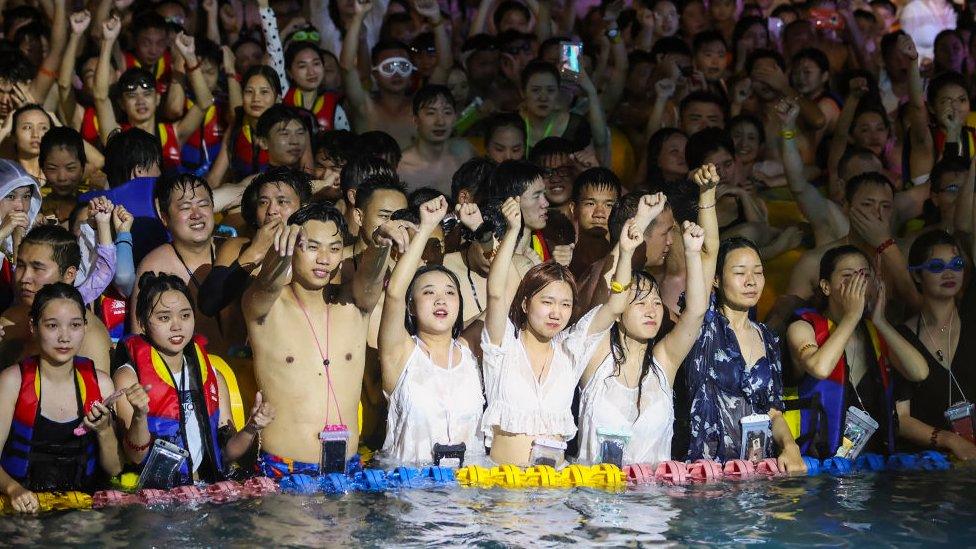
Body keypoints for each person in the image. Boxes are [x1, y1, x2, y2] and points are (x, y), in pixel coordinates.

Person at [243, 203, 392, 476]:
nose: (324, 258)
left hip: (348, 470)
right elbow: (265, 286)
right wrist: (279, 255)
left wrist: (380, 246)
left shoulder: (355, 305)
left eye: (334, 248)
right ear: (292, 246)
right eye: (312, 247)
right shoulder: (265, 309)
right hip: (284, 472)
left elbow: (371, 280)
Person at [682, 165, 805, 472]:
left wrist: (790, 448)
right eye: (739, 273)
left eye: (758, 272)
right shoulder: (705, 325)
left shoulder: (767, 337)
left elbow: (775, 412)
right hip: (708, 476)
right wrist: (707, 195)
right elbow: (710, 252)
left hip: (756, 476)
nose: (751, 281)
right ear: (716, 280)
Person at [481, 195, 614, 467]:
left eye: (565, 304)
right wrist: (512, 231)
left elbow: (614, 306)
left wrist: (626, 245)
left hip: (555, 492)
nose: (556, 312)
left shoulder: (571, 350)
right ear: (526, 302)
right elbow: (495, 294)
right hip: (505, 490)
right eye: (547, 302)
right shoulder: (504, 345)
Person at [576, 195, 708, 465]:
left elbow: (695, 314)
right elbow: (610, 303)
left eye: (657, 302)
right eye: (639, 302)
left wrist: (693, 255)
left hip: (655, 504)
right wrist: (625, 251)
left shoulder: (664, 362)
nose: (651, 310)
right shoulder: (594, 354)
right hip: (596, 502)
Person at [113, 272, 275, 486]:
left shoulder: (212, 377)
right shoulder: (129, 378)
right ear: (142, 323)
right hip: (155, 494)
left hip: (205, 489)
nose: (176, 325)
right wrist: (140, 416)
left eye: (185, 315)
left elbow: (227, 453)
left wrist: (252, 426)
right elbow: (135, 457)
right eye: (164, 317)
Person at [787, 245, 929, 457]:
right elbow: (820, 367)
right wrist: (852, 316)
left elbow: (919, 372)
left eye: (864, 275)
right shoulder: (803, 328)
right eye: (848, 276)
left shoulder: (875, 333)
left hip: (874, 466)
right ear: (826, 287)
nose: (858, 283)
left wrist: (880, 321)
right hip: (819, 469)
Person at [377, 195, 484, 466]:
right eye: (429, 292)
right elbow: (394, 294)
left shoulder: (471, 349)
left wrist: (481, 231)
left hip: (466, 497)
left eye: (450, 292)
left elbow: (503, 298)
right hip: (411, 497)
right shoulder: (400, 353)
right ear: (411, 307)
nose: (440, 300)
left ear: (460, 304)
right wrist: (425, 227)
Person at [0, 283, 121, 513]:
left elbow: (114, 469)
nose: (64, 337)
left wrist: (104, 430)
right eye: (52, 325)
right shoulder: (13, 382)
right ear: (33, 327)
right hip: (24, 508)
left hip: (82, 512)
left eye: (75, 325)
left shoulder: (100, 384)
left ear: (85, 327)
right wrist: (13, 489)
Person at [94, 18, 214, 174]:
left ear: (157, 98)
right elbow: (100, 97)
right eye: (132, 95)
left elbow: (205, 102)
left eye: (146, 94)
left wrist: (190, 57)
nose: (140, 101)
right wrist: (107, 42)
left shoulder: (173, 133)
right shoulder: (116, 136)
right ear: (122, 103)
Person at [896, 232, 976, 459]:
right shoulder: (902, 336)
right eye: (937, 266)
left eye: (956, 264)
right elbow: (901, 418)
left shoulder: (973, 323)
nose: (949, 272)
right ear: (918, 275)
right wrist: (950, 440)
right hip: (930, 464)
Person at [0, 226, 113, 373]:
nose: (24, 278)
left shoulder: (91, 338)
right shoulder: (9, 321)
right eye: (21, 265)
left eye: (37, 268)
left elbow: (98, 395)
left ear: (69, 275)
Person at [398, 85, 476, 194]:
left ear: (455, 118)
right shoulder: (401, 168)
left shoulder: (465, 152)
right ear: (415, 120)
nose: (440, 122)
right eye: (431, 113)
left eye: (447, 112)